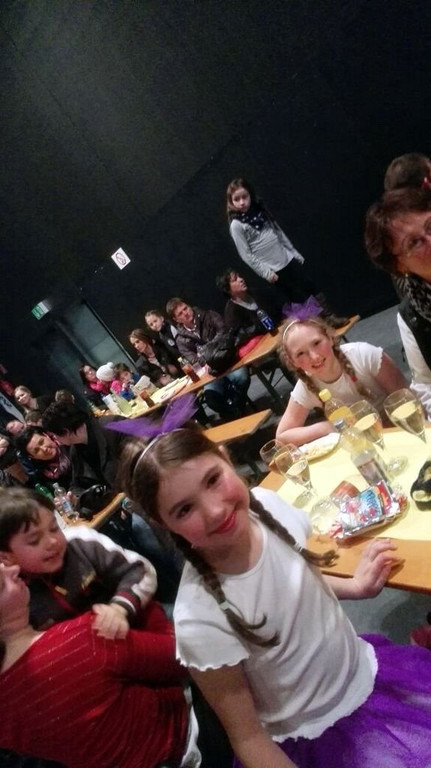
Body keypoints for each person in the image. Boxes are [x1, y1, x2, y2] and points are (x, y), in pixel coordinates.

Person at [118, 425, 431, 768]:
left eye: (212, 480)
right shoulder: (200, 621)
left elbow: (295, 582)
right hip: (319, 738)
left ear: (225, 457)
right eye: (184, 509)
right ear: (163, 524)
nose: (214, 511)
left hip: (366, 672)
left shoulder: (268, 506)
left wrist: (354, 587)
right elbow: (248, 737)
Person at [0, 561, 199, 768]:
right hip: (181, 741)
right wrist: (142, 607)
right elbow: (183, 658)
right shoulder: (79, 639)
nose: (14, 569)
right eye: (3, 584)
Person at [41, 402, 182, 603]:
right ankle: (164, 589)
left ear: (65, 431)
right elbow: (76, 484)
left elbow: (146, 460)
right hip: (120, 504)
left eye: (55, 436)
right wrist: (75, 496)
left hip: (149, 492)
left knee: (140, 530)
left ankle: (178, 580)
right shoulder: (76, 450)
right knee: (116, 538)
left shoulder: (112, 426)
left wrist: (125, 498)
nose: (56, 441)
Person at [0, 486, 157, 633]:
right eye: (34, 540)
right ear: (6, 557)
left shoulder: (80, 543)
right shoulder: (11, 592)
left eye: (54, 528)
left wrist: (119, 608)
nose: (52, 541)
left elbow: (140, 569)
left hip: (139, 627)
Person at [276, 314, 408, 446]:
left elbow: (406, 396)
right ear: (293, 363)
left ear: (330, 338)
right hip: (359, 443)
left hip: (396, 428)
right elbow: (281, 438)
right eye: (300, 353)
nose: (314, 356)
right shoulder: (306, 385)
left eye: (316, 343)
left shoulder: (363, 355)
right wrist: (325, 427)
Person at [369, 171, 431, 418]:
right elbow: (426, 385)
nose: (430, 240)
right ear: (399, 266)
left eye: (429, 225)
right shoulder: (412, 316)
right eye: (414, 243)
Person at [166, 297, 250, 419]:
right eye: (180, 313)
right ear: (176, 319)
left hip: (228, 360)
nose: (186, 313)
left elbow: (224, 334)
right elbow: (193, 359)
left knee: (242, 378)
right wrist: (211, 352)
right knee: (211, 399)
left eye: (185, 308)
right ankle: (234, 411)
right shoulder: (180, 339)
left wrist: (205, 352)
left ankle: (239, 407)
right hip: (210, 371)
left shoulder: (209, 315)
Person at [216, 267, 277, 340]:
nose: (241, 279)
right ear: (227, 289)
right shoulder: (231, 313)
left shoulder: (255, 293)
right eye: (235, 279)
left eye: (239, 276)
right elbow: (241, 338)